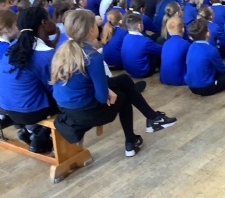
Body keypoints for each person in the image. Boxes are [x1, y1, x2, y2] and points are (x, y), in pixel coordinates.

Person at [50, 10, 176, 157]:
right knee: (123, 96)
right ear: (91, 30)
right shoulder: (91, 56)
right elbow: (102, 98)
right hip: (85, 112)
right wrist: (108, 92)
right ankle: (133, 139)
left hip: (65, 107)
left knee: (124, 80)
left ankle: (151, 119)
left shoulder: (62, 50)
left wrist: (107, 90)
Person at [0, 7, 60, 153]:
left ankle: (30, 131)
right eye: (50, 19)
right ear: (44, 22)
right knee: (68, 98)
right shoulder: (46, 55)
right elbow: (54, 87)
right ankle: (41, 138)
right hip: (29, 112)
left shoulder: (13, 47)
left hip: (7, 107)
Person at [185, 19, 225, 96]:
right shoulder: (211, 50)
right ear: (208, 33)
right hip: (206, 88)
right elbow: (222, 70)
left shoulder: (191, 47)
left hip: (191, 87)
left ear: (191, 37)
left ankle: (223, 83)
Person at [121, 13, 162, 78]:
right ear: (139, 26)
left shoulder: (126, 37)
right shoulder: (145, 41)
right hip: (143, 72)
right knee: (158, 46)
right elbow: (161, 50)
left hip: (129, 71)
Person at [160, 17, 190, 86]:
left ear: (168, 32)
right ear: (183, 29)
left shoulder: (165, 43)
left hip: (164, 78)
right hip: (181, 79)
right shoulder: (185, 44)